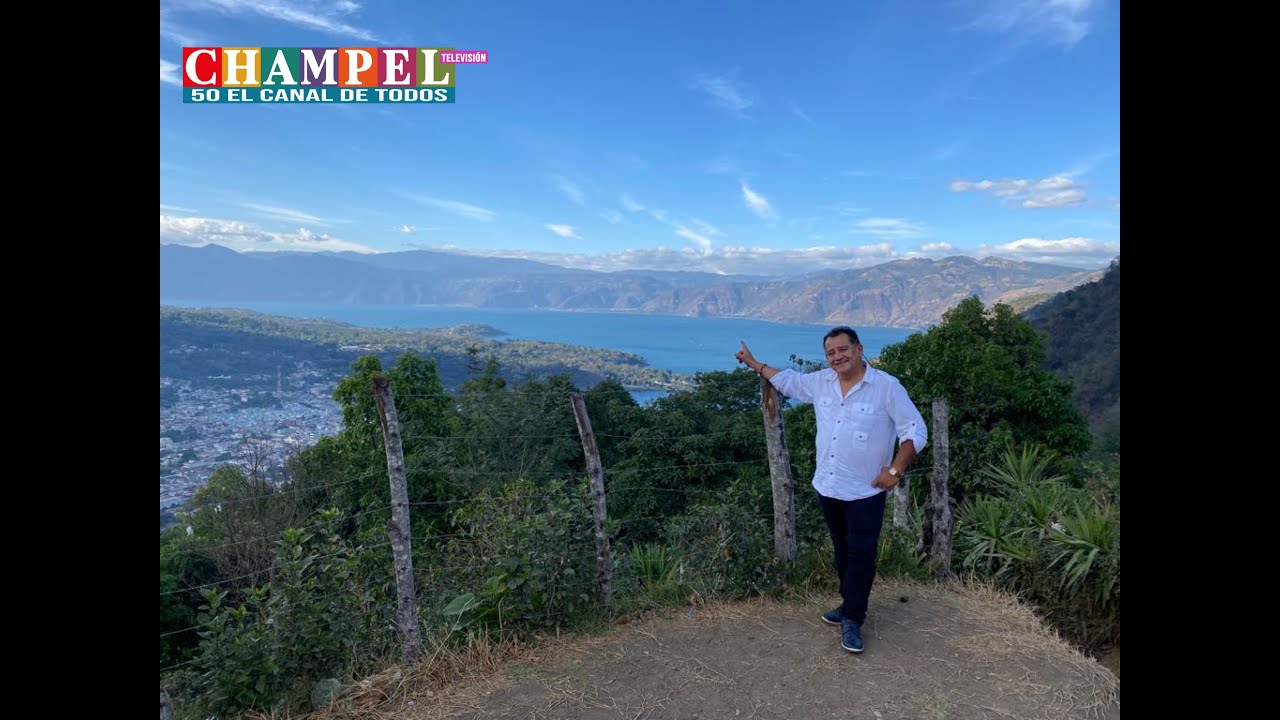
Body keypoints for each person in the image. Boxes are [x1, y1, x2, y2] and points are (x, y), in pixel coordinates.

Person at [735, 327, 926, 653]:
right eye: (831, 352)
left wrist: (895, 470)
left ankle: (853, 617)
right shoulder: (822, 381)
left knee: (861, 554)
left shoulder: (886, 387)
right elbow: (789, 381)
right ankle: (849, 602)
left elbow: (915, 430)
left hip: (866, 491)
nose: (837, 357)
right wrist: (755, 364)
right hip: (828, 485)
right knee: (841, 549)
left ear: (859, 349)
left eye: (843, 349)